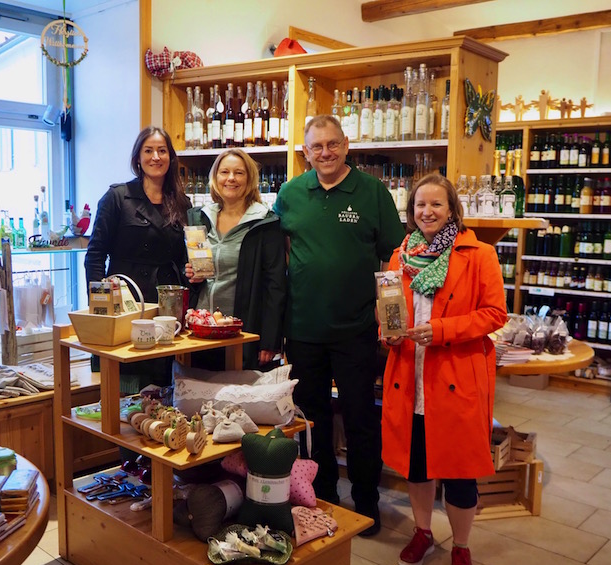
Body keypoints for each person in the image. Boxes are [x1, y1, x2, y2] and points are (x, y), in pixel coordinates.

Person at [274, 115, 405, 536]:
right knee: (311, 421)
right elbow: (276, 254)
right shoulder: (291, 193)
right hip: (303, 330)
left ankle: (367, 502)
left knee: (361, 418)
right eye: (317, 147)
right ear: (306, 152)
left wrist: (388, 316)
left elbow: (395, 258)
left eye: (332, 145)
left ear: (346, 145)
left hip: (355, 330)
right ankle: (323, 496)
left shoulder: (371, 192)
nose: (325, 153)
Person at [380, 173, 507, 565]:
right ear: (410, 210)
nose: (427, 212)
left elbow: (494, 314)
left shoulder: (479, 253)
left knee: (458, 469)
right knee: (417, 465)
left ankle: (463, 548)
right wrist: (387, 330)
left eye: (436, 205)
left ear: (452, 208)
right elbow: (390, 308)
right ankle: (422, 532)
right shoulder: (401, 255)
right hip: (409, 372)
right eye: (420, 205)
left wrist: (441, 330)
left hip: (454, 374)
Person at [85, 126, 192, 385]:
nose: (156, 157)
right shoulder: (118, 197)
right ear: (138, 158)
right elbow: (95, 254)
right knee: (127, 380)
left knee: (163, 382)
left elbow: (182, 256)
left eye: (162, 151)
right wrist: (100, 307)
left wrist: (190, 272)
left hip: (166, 304)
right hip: (126, 300)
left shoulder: (181, 202)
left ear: (171, 157)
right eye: (149, 150)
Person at [185, 148, 287, 370]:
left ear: (249, 179)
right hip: (202, 331)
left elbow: (275, 286)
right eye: (225, 172)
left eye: (239, 173)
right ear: (215, 177)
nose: (231, 178)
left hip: (242, 332)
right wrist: (192, 276)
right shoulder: (200, 218)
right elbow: (197, 276)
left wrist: (269, 341)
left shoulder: (265, 223)